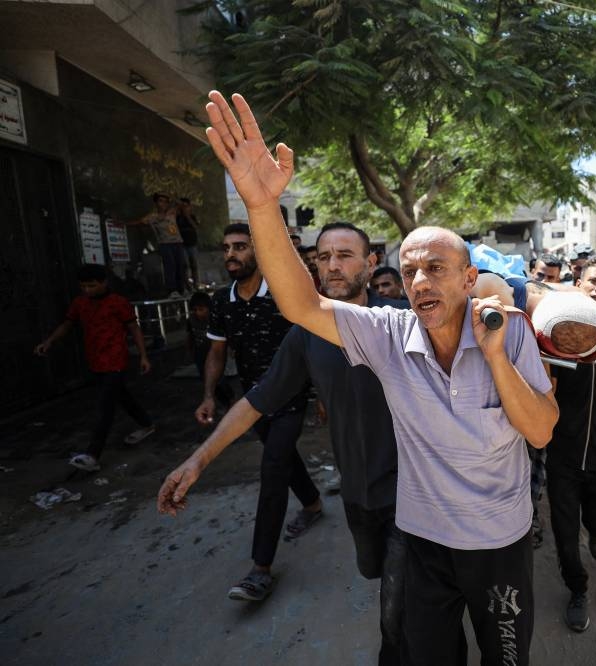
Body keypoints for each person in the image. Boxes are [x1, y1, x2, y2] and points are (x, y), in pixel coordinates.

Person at [203, 90, 558, 665]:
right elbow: (301, 306)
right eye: (411, 270)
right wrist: (262, 207)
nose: (420, 281)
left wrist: (494, 355)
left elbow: (540, 432)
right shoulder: (388, 335)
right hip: (422, 542)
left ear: (469, 279)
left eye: (436, 269)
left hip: (499, 544)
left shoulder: (508, 331)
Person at [161, 221, 407, 664]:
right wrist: (198, 460)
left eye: (346, 255)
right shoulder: (306, 334)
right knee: (379, 577)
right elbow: (257, 400)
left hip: (415, 495)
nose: (333, 265)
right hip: (359, 492)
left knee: (401, 609)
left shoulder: (405, 320)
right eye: (324, 256)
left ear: (371, 264)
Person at [195, 222, 321, 602]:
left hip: (292, 397)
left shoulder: (284, 295)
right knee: (281, 458)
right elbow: (217, 353)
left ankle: (260, 569)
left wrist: (325, 396)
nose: (231, 254)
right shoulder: (221, 301)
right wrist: (208, 396)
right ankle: (313, 504)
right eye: (226, 247)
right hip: (251, 402)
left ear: (258, 252)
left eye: (239, 247)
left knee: (272, 470)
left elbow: (312, 345)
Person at [545, 256, 596, 633]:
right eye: (593, 280)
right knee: (563, 532)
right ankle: (577, 589)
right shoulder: (555, 338)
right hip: (561, 459)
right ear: (578, 284)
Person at [34, 264, 155, 471]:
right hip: (95, 361)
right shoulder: (80, 304)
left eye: (92, 285)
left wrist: (143, 355)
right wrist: (50, 341)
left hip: (116, 361)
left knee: (105, 408)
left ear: (104, 283)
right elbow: (67, 324)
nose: (87, 290)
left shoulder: (118, 303)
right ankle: (147, 424)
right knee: (122, 397)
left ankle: (93, 455)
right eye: (83, 286)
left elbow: (134, 328)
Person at [131, 193, 188, 297]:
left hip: (178, 243)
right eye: (161, 201)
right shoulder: (152, 217)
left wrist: (171, 197)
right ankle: (172, 290)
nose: (163, 203)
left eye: (165, 201)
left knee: (181, 266)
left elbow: (182, 205)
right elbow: (138, 222)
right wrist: (122, 223)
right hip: (165, 244)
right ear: (156, 203)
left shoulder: (172, 212)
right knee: (170, 266)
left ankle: (181, 289)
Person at [187, 291, 233, 408]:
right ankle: (223, 403)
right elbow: (190, 336)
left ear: (209, 308)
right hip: (200, 355)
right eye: (195, 310)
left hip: (214, 353)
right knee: (208, 381)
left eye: (201, 309)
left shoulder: (215, 319)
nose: (198, 313)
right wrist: (190, 351)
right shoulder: (191, 320)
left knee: (220, 380)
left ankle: (230, 400)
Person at [176, 197, 201, 287]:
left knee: (194, 264)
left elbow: (196, 227)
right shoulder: (177, 218)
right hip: (182, 244)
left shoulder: (193, 217)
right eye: (182, 206)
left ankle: (196, 283)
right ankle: (186, 284)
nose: (184, 208)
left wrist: (188, 216)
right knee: (184, 265)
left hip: (192, 244)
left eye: (186, 206)